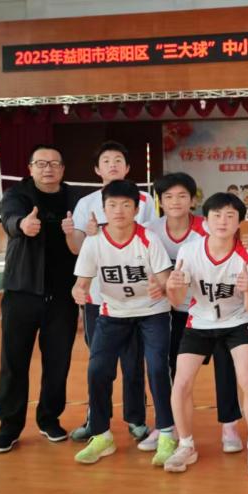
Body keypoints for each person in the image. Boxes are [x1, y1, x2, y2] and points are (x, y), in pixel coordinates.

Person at [162, 192, 248, 475]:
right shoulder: (189, 252)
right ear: (206, 220)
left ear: (239, 222)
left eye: (230, 216)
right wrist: (172, 287)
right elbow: (177, 301)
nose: (223, 221)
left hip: (237, 322)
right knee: (181, 383)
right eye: (217, 215)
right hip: (199, 322)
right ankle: (186, 445)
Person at [69, 180, 174, 465]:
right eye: (112, 205)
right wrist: (78, 291)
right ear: (104, 209)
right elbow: (81, 283)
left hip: (152, 313)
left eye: (126, 205)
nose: (119, 210)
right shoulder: (94, 242)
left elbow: (166, 281)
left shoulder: (148, 239)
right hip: (112, 314)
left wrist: (160, 287)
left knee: (156, 368)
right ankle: (101, 435)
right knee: (97, 370)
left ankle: (167, 433)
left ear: (136, 209)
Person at [0, 144, 81, 454]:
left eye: (54, 163)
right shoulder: (16, 195)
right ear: (30, 168)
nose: (48, 168)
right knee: (13, 362)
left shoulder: (75, 198)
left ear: (63, 169)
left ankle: (49, 418)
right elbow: (9, 219)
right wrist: (22, 225)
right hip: (22, 292)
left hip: (63, 296)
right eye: (41, 163)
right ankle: (9, 426)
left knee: (58, 362)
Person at [146, 172, 243, 457]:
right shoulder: (151, 230)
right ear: (160, 201)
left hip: (215, 309)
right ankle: (168, 426)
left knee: (225, 366)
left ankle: (229, 426)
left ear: (192, 200)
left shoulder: (209, 226)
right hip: (173, 309)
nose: (175, 202)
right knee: (171, 369)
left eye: (182, 196)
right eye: (168, 197)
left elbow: (235, 257)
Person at [67, 141, 153, 444]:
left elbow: (150, 240)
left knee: (133, 362)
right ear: (97, 169)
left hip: (138, 299)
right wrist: (78, 234)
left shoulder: (145, 200)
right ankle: (96, 419)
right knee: (99, 365)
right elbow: (78, 249)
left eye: (118, 160)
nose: (113, 164)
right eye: (106, 160)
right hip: (99, 298)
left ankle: (136, 418)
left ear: (127, 167)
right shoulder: (86, 203)